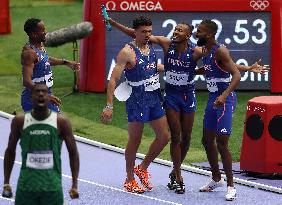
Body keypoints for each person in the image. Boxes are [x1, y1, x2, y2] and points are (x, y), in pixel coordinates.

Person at [107, 17, 269, 195]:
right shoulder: (164, 43)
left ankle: (154, 169)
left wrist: (247, 69)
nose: (175, 32)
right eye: (175, 29)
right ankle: (176, 176)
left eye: (180, 30)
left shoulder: (197, 51)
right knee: (173, 136)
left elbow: (221, 63)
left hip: (187, 95)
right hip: (170, 96)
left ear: (188, 35)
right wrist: (114, 24)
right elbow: (137, 34)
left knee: (184, 138)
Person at [100, 16, 170, 194]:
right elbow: (113, 79)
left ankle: (143, 167)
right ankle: (130, 178)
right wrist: (109, 106)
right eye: (144, 32)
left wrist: (174, 68)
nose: (148, 35)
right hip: (137, 99)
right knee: (135, 140)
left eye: (149, 31)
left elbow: (153, 67)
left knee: (164, 136)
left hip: (154, 96)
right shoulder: (127, 52)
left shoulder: (151, 46)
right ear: (135, 32)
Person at [2, 83, 80, 205]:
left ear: (50, 97)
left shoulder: (61, 122)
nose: (41, 94)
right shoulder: (20, 121)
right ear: (31, 97)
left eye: (44, 92)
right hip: (26, 187)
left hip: (52, 187)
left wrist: (75, 184)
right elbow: (10, 151)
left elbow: (73, 153)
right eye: (37, 92)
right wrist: (6, 183)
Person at [195, 19, 242, 201]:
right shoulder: (204, 50)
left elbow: (236, 74)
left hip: (225, 100)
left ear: (210, 35)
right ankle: (216, 178)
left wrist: (224, 96)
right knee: (207, 141)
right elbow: (209, 69)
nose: (196, 34)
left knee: (222, 143)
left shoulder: (220, 50)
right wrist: (192, 71)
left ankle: (231, 186)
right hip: (212, 99)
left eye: (199, 31)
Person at [21, 18, 80, 113]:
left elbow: (45, 60)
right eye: (42, 30)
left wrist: (66, 62)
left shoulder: (39, 46)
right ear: (33, 34)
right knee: (57, 125)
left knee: (58, 124)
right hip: (34, 99)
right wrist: (45, 96)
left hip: (44, 95)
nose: (45, 32)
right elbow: (26, 81)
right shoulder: (29, 53)